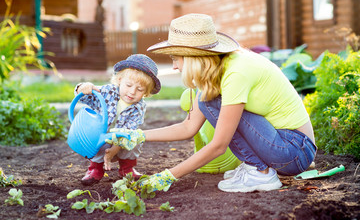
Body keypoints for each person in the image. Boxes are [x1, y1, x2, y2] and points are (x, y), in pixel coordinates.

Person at [123, 13, 317, 193]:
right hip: (282, 146)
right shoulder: (218, 70)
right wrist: (136, 135)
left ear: (193, 58)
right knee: (206, 99)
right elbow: (188, 127)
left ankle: (260, 173)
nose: (174, 66)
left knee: (207, 101)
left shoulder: (236, 72)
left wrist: (166, 176)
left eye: (176, 58)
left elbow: (219, 145)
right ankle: (256, 167)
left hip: (294, 151)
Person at [74, 54, 161, 186]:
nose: (132, 92)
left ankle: (127, 168)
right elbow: (84, 97)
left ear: (146, 93)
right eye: (128, 85)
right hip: (100, 136)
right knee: (96, 141)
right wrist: (84, 87)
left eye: (139, 89)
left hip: (121, 138)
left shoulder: (139, 106)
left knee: (135, 139)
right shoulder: (108, 92)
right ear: (119, 80)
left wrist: (115, 149)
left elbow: (129, 129)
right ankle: (95, 169)